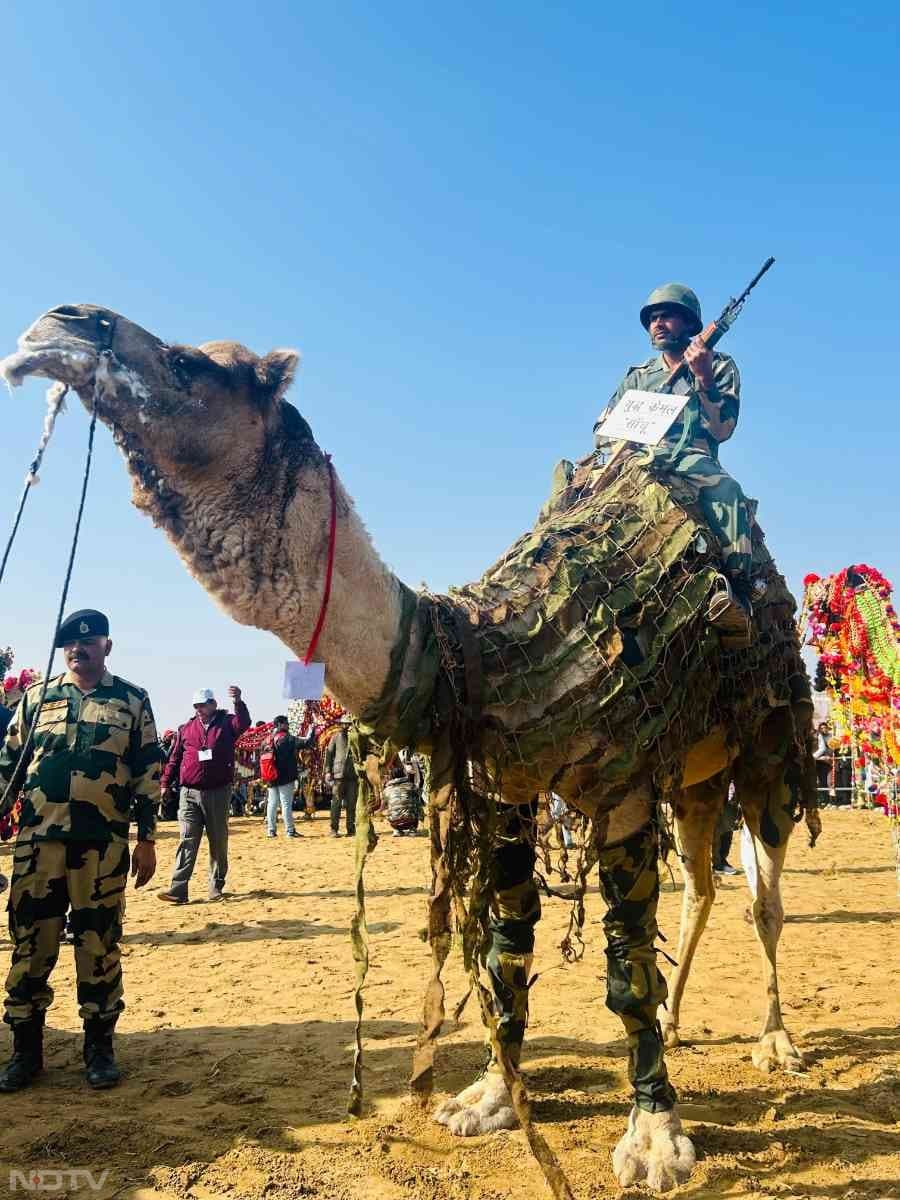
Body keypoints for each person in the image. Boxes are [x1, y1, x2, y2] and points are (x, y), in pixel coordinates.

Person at [0, 609, 159, 1091]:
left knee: (99, 945)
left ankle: (99, 1049)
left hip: (102, 849)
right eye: (69, 642)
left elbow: (148, 772)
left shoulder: (132, 700)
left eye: (88, 642)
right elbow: (8, 764)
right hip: (37, 847)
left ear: (106, 646)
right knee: (31, 948)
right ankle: (26, 1052)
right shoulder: (36, 698)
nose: (78, 649)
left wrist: (147, 840)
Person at [594, 283, 754, 646]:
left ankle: (739, 589)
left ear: (689, 322)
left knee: (727, 491)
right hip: (635, 462)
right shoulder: (638, 376)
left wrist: (704, 378)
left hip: (689, 460)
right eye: (652, 318)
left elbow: (723, 429)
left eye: (666, 315)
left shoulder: (720, 365)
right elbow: (602, 429)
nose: (657, 323)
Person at [157, 685, 250, 904]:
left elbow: (244, 723)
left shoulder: (227, 723)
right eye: (196, 705)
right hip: (189, 792)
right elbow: (174, 759)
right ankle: (178, 890)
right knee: (187, 839)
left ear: (213, 704)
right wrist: (164, 783)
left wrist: (238, 701)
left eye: (203, 704)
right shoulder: (186, 729)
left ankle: (215, 887)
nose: (199, 709)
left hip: (218, 791)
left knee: (217, 841)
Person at [263, 715, 314, 838]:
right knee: (286, 804)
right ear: (280, 725)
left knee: (272, 804)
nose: (288, 725)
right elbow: (307, 743)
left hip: (270, 776)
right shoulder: (288, 739)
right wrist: (312, 730)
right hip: (285, 777)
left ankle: (271, 831)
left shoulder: (266, 740)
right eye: (286, 723)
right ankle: (290, 831)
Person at [324, 715, 356, 838]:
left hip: (353, 775)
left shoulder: (356, 737)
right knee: (336, 803)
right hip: (338, 774)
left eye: (349, 724)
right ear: (341, 724)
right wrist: (328, 771)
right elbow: (329, 755)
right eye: (345, 724)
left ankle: (351, 829)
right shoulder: (336, 737)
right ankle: (333, 829)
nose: (347, 726)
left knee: (352, 804)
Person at [712, 782, 741, 875]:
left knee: (728, 825)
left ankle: (721, 860)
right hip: (718, 786)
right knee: (719, 828)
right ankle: (718, 863)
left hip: (731, 787)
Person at [812, 722, 833, 804]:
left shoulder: (830, 736)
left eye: (825, 727)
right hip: (817, 761)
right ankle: (820, 799)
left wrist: (813, 757)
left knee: (826, 781)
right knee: (817, 782)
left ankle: (827, 800)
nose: (823, 729)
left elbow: (823, 749)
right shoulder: (817, 735)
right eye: (821, 728)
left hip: (825, 762)